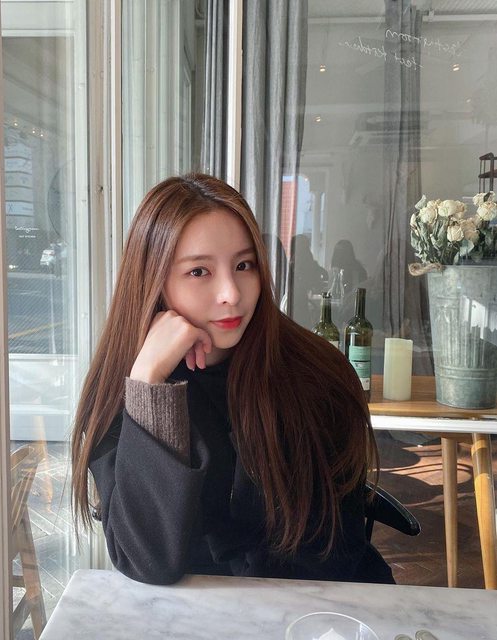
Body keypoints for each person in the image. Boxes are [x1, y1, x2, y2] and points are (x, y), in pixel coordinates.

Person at [71, 174, 393, 586]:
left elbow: (329, 557)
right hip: (189, 613)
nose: (231, 293)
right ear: (154, 281)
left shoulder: (315, 374)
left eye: (244, 266)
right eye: (199, 271)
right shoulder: (125, 384)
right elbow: (146, 560)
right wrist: (149, 385)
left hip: (311, 604)